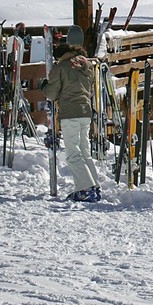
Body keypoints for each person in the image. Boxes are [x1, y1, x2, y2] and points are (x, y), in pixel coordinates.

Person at [43, 44, 101, 202]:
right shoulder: (85, 64)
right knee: (84, 151)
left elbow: (52, 93)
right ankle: (94, 185)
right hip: (85, 112)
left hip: (70, 113)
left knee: (73, 153)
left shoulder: (61, 67)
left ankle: (85, 188)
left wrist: (45, 87)